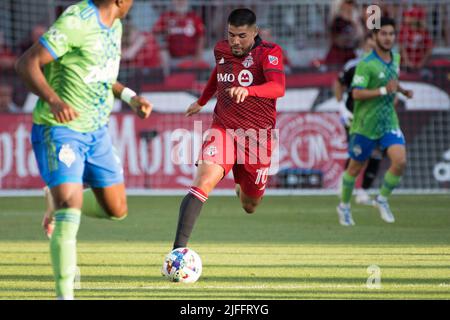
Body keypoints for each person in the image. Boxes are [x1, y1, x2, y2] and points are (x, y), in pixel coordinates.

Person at [15, 0, 153, 300]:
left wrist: (130, 97)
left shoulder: (114, 25)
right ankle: (65, 295)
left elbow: (101, 74)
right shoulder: (76, 21)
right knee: (70, 206)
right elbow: (26, 63)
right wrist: (53, 100)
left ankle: (58, 198)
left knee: (117, 210)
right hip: (60, 128)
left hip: (97, 131)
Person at [170, 8, 285, 250]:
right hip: (224, 128)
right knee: (203, 181)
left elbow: (277, 88)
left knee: (250, 205)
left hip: (257, 138)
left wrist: (249, 90)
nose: (235, 41)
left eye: (242, 36)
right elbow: (218, 73)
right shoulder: (221, 49)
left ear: (255, 32)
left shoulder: (269, 53)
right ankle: (177, 252)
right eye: (231, 34)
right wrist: (202, 101)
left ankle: (240, 182)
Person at [336, 17, 413, 226]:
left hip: (388, 121)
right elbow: (357, 94)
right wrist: (382, 90)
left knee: (400, 161)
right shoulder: (365, 64)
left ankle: (382, 199)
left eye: (391, 34)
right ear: (375, 36)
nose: (388, 38)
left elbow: (392, 83)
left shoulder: (395, 59)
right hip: (364, 124)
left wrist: (403, 90)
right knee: (354, 167)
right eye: (384, 34)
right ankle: (343, 206)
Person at [334, 33, 382, 207]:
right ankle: (345, 183)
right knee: (358, 152)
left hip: (376, 116)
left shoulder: (385, 67)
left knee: (376, 153)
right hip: (353, 115)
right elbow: (339, 84)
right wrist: (341, 108)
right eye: (369, 46)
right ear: (363, 46)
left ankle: (364, 192)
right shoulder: (353, 65)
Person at [152, 0, 208, 72]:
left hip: (191, 57)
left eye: (183, 0)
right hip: (171, 58)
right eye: (177, 0)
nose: (180, 2)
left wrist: (198, 56)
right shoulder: (166, 16)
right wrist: (163, 46)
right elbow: (155, 32)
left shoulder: (194, 17)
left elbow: (201, 36)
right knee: (162, 54)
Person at [324, 0, 364, 67]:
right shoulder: (337, 21)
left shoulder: (355, 22)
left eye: (352, 3)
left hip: (350, 54)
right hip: (338, 56)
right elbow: (336, 39)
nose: (350, 6)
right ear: (342, 5)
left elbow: (361, 37)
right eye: (348, 3)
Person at [398, 6, 433, 70]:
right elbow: (401, 47)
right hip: (404, 65)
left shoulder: (424, 31)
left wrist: (421, 63)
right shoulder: (404, 30)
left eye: (410, 16)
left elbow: (429, 49)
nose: (406, 17)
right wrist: (407, 62)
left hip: (421, 65)